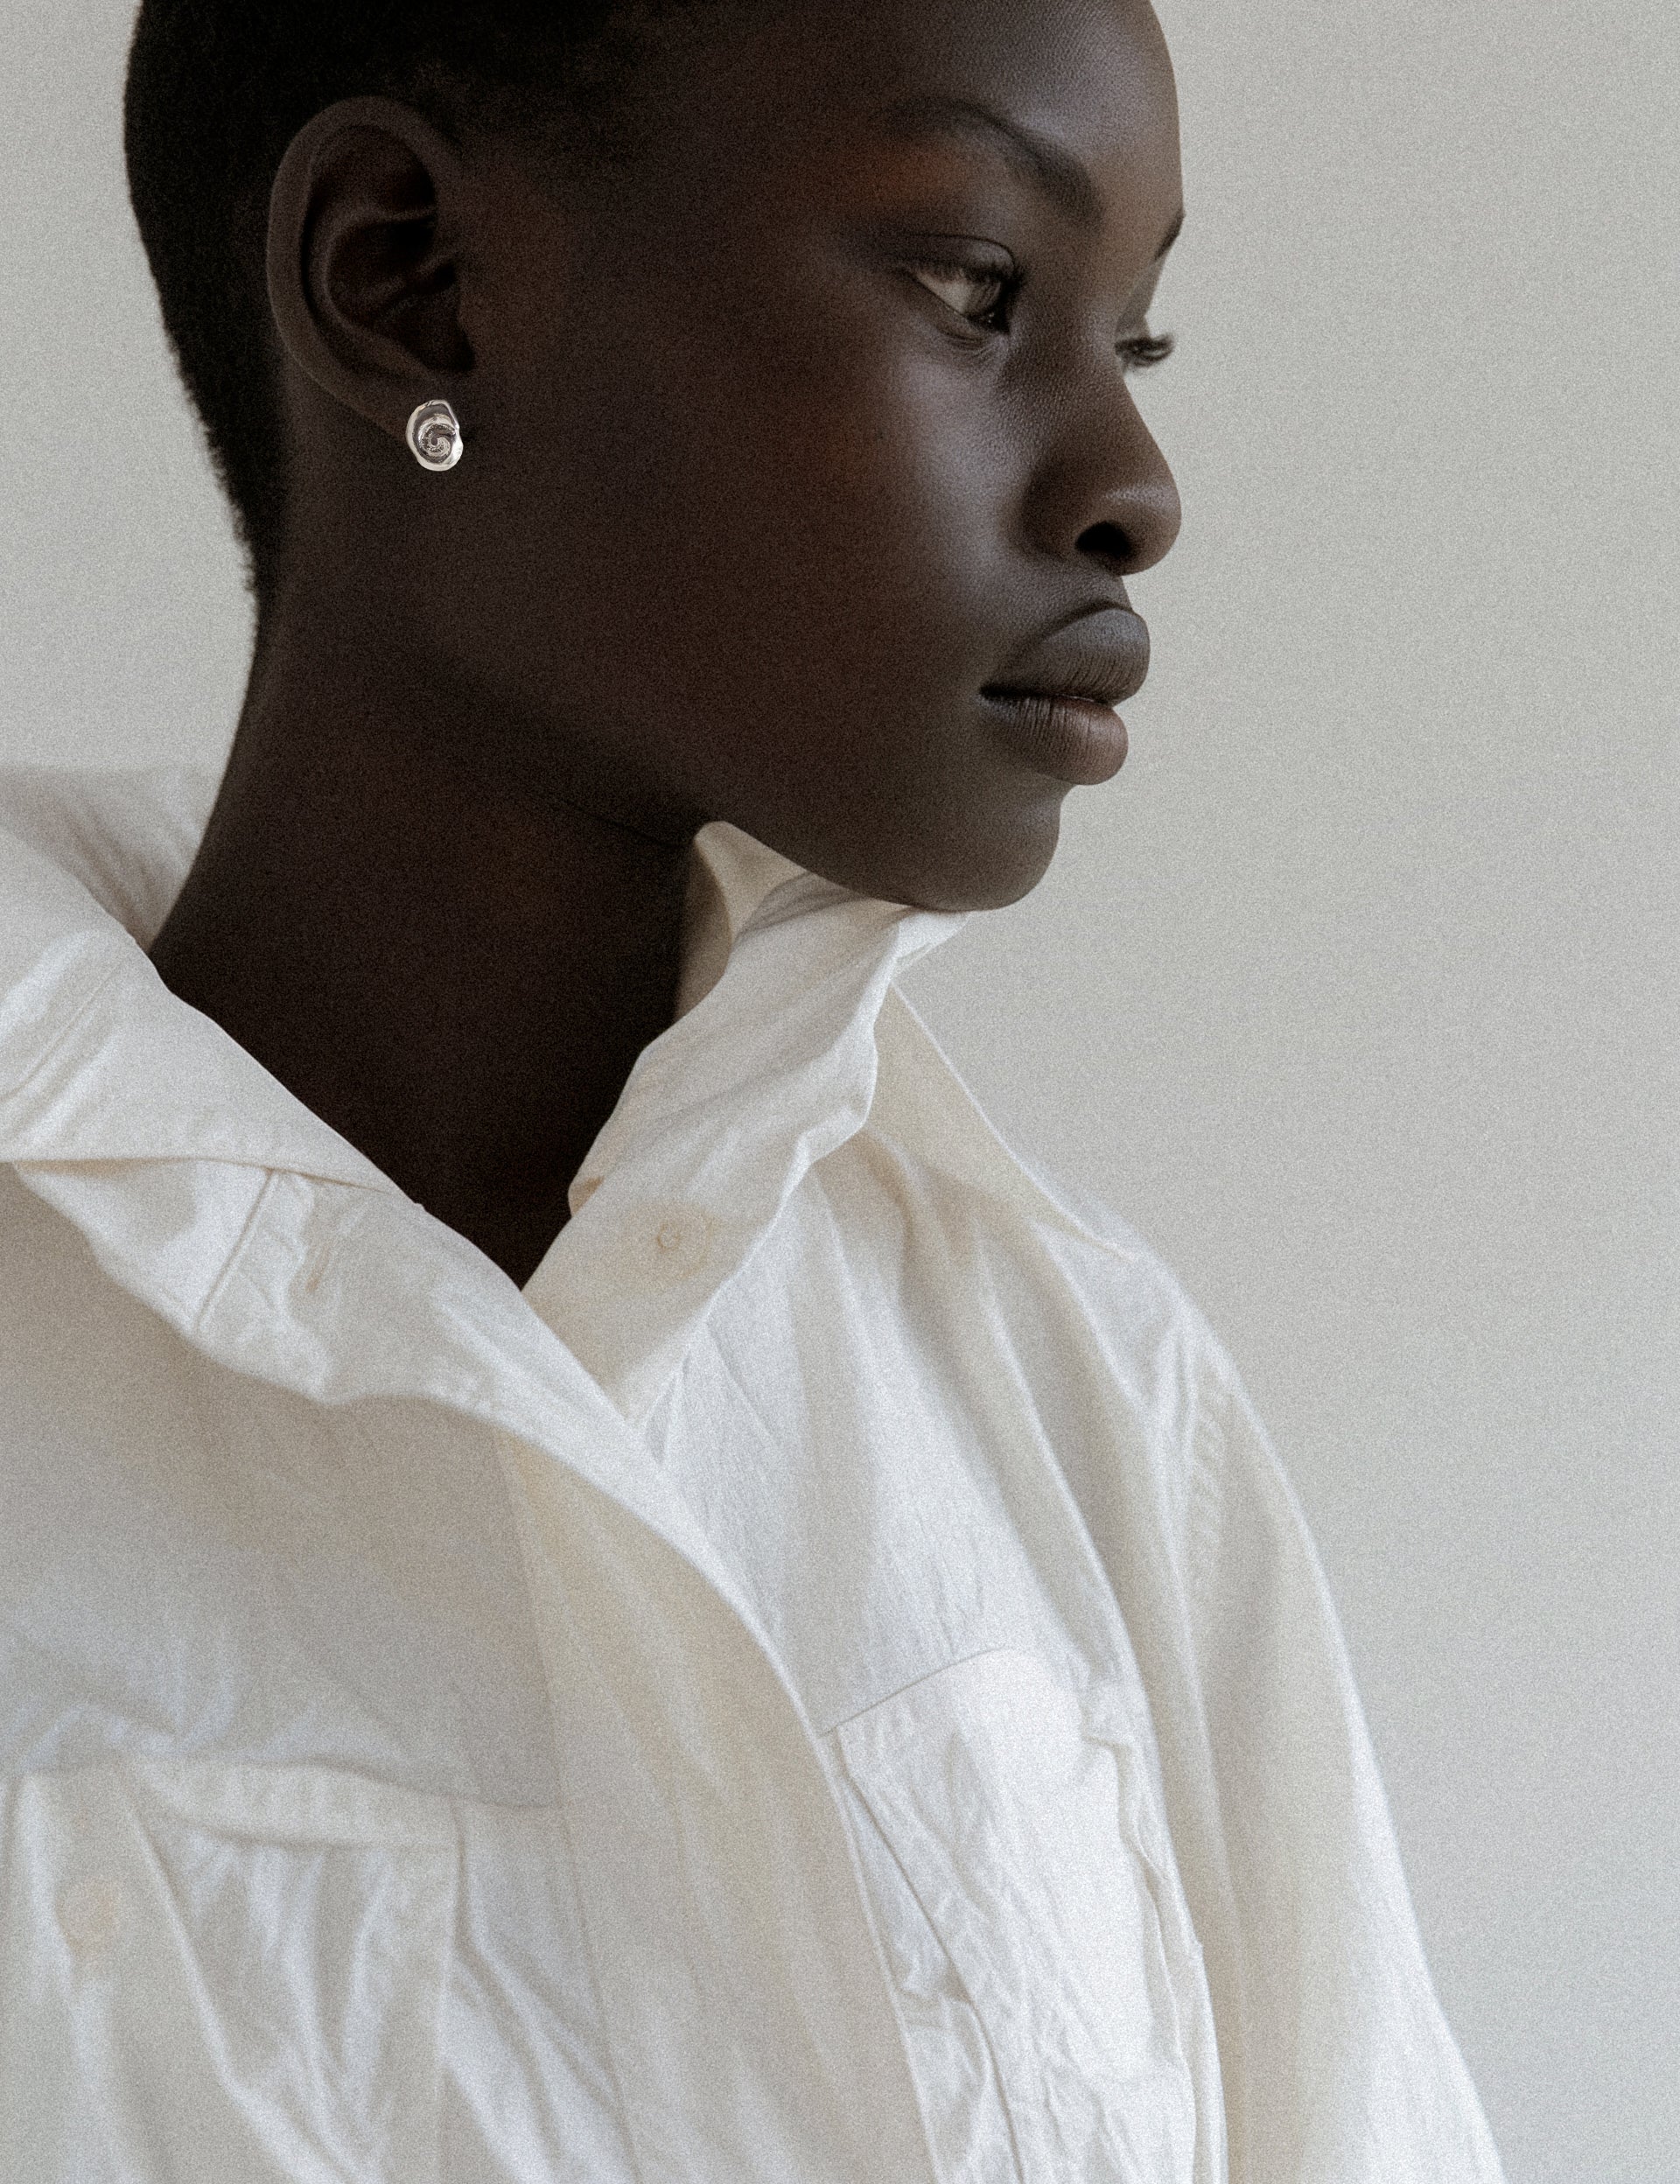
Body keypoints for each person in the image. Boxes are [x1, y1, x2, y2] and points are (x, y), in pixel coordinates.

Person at [0, 0, 1508, 2178]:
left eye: (1137, 343)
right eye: (978, 286)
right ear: (410, 279)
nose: (1134, 487)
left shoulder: (1080, 1389)